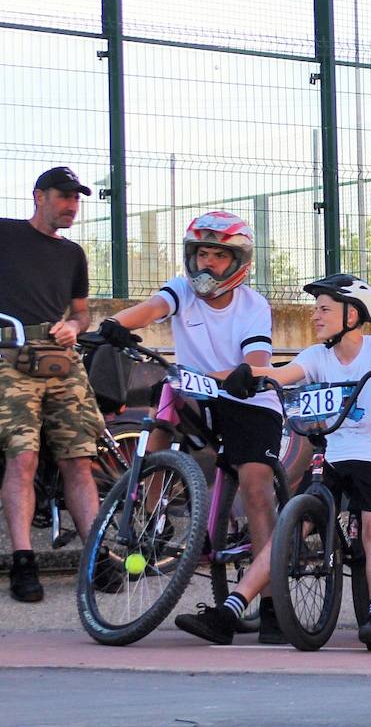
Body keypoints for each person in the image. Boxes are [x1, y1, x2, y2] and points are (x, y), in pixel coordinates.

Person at [172, 275, 371, 651]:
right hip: (337, 455)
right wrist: (244, 377)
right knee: (291, 529)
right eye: (314, 309)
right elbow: (277, 374)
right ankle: (231, 611)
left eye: (324, 309)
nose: (315, 316)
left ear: (352, 314)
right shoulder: (317, 356)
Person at [96, 211, 286, 640]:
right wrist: (114, 324)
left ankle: (272, 606)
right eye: (201, 253)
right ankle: (151, 515)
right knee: (167, 392)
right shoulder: (185, 290)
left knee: (257, 489)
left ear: (239, 262)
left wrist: (237, 374)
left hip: (248, 401)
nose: (207, 264)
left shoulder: (253, 306)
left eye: (219, 256)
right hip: (198, 395)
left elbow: (257, 365)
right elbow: (151, 309)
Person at [0, 167, 106, 603]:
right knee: (22, 459)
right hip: (10, 357)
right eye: (63, 197)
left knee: (80, 460)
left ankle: (97, 557)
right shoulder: (6, 235)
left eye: (76, 199)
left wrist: (73, 327)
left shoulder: (73, 254)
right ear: (38, 196)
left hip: (61, 360)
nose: (71, 206)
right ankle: (24, 561)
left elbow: (82, 312)